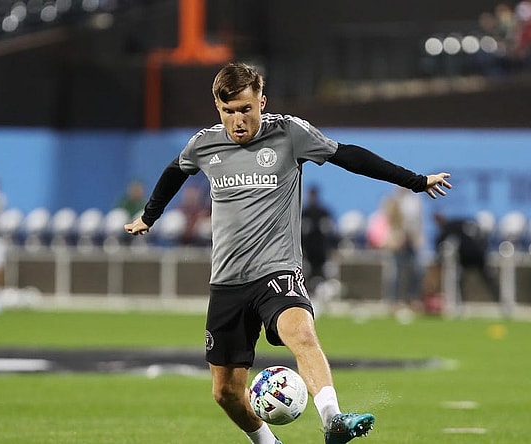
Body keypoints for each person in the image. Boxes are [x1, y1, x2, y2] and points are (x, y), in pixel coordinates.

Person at [124, 62, 452, 444]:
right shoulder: (204, 143)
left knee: (301, 333)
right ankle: (268, 443)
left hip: (276, 270)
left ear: (262, 102)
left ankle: (333, 420)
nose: (238, 121)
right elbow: (174, 172)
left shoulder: (289, 133)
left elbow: (349, 156)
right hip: (227, 282)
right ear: (218, 108)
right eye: (229, 112)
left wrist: (413, 181)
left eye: (246, 109)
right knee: (226, 392)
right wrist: (149, 216)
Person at [301, 185, 337, 290]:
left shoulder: (324, 212)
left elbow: (330, 234)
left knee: (324, 277)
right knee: (306, 277)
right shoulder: (304, 213)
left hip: (321, 253)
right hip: (307, 253)